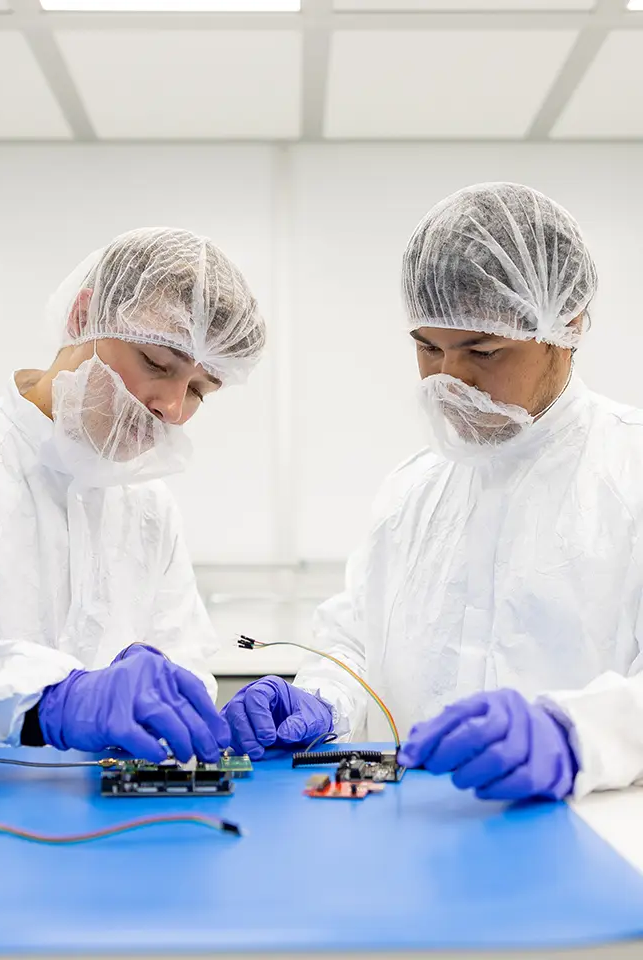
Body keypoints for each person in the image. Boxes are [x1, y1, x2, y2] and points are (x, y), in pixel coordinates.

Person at [222, 182, 643, 801]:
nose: (449, 380)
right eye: (427, 348)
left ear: (568, 326)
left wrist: (574, 734)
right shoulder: (413, 489)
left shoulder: (630, 469)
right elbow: (357, 643)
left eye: (484, 350)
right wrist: (320, 698)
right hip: (419, 838)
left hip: (593, 839)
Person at [0, 227, 265, 762]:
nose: (171, 407)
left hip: (107, 830)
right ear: (84, 317)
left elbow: (183, 669)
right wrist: (49, 696)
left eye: (198, 390)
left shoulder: (148, 509)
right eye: (156, 363)